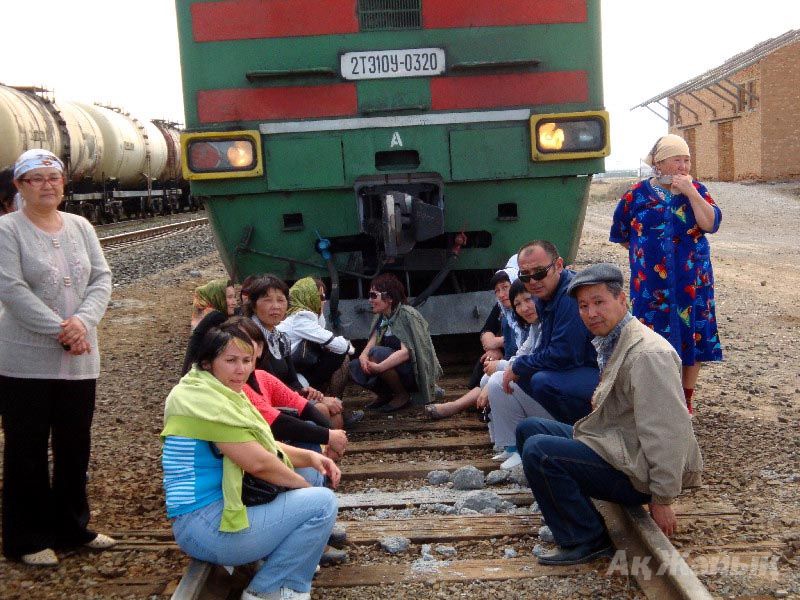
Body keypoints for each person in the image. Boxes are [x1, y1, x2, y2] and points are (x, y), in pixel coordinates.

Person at [515, 263, 703, 566]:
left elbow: (669, 431)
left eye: (599, 302)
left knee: (541, 452)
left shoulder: (647, 355)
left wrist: (662, 499)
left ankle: (586, 538)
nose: (591, 313)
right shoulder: (613, 339)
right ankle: (574, 512)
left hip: (636, 472)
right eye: (583, 306)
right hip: (618, 448)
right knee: (530, 429)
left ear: (622, 300)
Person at [162, 325, 339, 600]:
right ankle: (273, 589)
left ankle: (277, 565)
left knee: (312, 473)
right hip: (204, 525)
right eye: (230, 361)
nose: (240, 369)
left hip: (213, 513)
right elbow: (259, 463)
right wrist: (302, 488)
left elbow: (261, 444)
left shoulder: (213, 390)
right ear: (207, 363)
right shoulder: (206, 403)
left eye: (246, 361)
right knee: (322, 504)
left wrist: (311, 457)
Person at [0, 149, 114, 566]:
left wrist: (83, 323)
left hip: (82, 358)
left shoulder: (81, 226)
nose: (48, 185)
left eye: (54, 177)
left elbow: (102, 277)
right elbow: (11, 289)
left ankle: (71, 527)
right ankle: (26, 540)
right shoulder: (7, 230)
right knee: (26, 449)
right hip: (24, 362)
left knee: (74, 445)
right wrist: (62, 330)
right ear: (20, 186)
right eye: (37, 178)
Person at [610, 134, 722, 414]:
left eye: (687, 160)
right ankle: (660, 396)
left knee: (693, 333)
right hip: (651, 284)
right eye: (677, 160)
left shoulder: (698, 190)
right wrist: (645, 255)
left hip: (692, 280)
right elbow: (622, 233)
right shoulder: (635, 194)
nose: (683, 166)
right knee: (652, 337)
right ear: (659, 163)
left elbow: (710, 224)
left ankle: (686, 400)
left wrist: (691, 193)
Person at [502, 241, 599, 427]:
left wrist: (519, 365)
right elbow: (544, 347)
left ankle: (587, 431)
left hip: (606, 372)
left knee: (542, 381)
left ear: (559, 265)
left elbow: (563, 355)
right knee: (526, 374)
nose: (533, 282)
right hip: (581, 366)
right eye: (525, 276)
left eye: (539, 273)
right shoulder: (544, 296)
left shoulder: (570, 297)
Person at [424, 268, 523, 419]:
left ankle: (458, 405)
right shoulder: (503, 309)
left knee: (491, 372)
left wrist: (497, 344)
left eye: (505, 287)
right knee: (486, 362)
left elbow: (522, 345)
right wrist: (494, 347)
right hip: (511, 361)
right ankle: (474, 403)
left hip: (521, 365)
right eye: (497, 290)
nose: (501, 294)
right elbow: (486, 331)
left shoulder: (525, 309)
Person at [477, 279, 550, 469]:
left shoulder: (546, 324)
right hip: (541, 387)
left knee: (496, 381)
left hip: (552, 394)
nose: (524, 308)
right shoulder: (535, 327)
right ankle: (510, 445)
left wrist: (500, 366)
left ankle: (519, 446)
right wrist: (501, 366)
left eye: (528, 300)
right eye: (518, 304)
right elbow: (521, 355)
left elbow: (536, 360)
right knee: (490, 378)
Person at [349, 273, 442, 412]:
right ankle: (385, 394)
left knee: (376, 353)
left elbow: (406, 353)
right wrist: (363, 358)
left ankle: (401, 395)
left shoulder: (406, 315)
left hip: (412, 371)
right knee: (354, 366)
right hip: (394, 368)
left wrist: (379, 367)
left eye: (374, 295)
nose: (370, 300)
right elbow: (372, 342)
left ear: (389, 298)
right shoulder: (382, 317)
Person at [277, 277, 353, 398]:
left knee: (334, 354)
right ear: (309, 298)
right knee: (342, 355)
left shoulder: (301, 316)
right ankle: (334, 404)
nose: (324, 302)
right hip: (289, 378)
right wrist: (348, 345)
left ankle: (333, 404)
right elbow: (341, 346)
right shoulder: (300, 318)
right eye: (321, 298)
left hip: (297, 369)